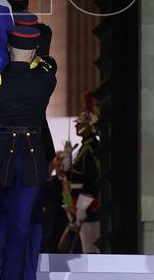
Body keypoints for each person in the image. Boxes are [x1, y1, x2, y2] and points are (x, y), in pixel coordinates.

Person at [0, 26, 57, 280]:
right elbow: (49, 63)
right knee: (21, 224)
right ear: (34, 52)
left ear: (8, 48)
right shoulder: (45, 79)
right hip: (31, 155)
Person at [62, 91, 101, 255]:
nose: (76, 126)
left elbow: (92, 179)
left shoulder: (91, 149)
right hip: (77, 203)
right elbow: (68, 176)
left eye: (79, 124)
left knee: (90, 250)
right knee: (84, 249)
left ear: (89, 126)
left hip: (87, 205)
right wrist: (67, 156)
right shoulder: (82, 148)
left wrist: (82, 207)